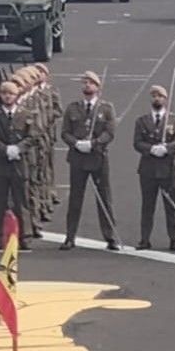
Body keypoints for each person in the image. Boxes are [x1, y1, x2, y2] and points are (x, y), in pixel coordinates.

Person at [61, 70, 120, 250]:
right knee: (75, 199)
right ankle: (70, 237)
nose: (87, 85)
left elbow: (109, 133)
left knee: (104, 198)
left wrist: (94, 143)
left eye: (91, 83)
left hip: (98, 157)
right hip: (78, 158)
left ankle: (110, 237)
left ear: (97, 87)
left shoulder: (106, 109)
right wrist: (76, 143)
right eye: (84, 82)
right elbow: (65, 132)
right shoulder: (72, 108)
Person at [133, 84, 175, 251]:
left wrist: (167, 148)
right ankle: (144, 239)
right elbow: (137, 142)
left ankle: (174, 239)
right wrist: (151, 149)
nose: (157, 98)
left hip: (168, 169)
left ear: (165, 99)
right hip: (148, 169)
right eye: (154, 96)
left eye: (160, 96)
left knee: (171, 206)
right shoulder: (142, 120)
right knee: (147, 206)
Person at [0, 80, 37, 249]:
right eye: (4, 93)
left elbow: (32, 137)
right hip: (0, 164)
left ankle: (25, 237)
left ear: (17, 96)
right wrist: (5, 150)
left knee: (21, 202)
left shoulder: (26, 114)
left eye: (11, 94)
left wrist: (19, 148)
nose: (7, 97)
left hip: (19, 163)